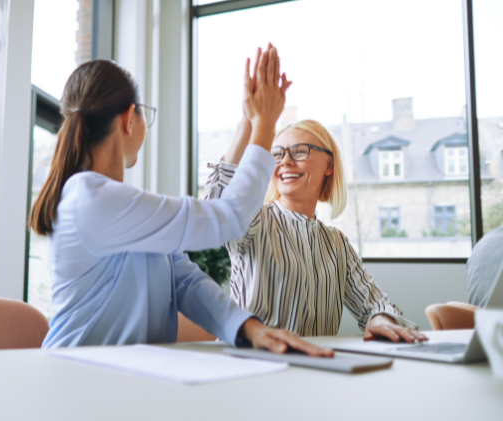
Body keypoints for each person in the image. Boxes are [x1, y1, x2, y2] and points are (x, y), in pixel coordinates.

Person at [32, 46, 331, 356]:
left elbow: (185, 281)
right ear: (128, 120)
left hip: (125, 378)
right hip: (74, 379)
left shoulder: (116, 205)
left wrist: (251, 329)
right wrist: (266, 125)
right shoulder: (90, 198)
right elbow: (229, 217)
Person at [205, 53, 427, 343]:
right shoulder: (256, 220)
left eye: (299, 151)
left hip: (316, 370)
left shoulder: (336, 244)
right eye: (277, 154)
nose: (284, 162)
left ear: (329, 165)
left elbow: (374, 302)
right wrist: (248, 126)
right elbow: (216, 207)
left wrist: (379, 319)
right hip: (251, 367)